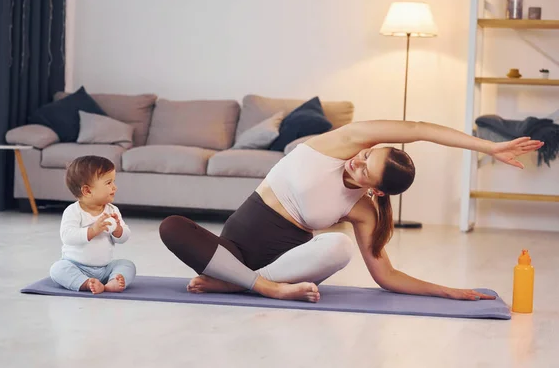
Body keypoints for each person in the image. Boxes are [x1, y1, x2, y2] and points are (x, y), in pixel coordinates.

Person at [159, 120, 543, 303]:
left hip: (283, 268)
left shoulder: (362, 211)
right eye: (366, 155)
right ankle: (252, 285)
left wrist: (447, 291)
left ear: (374, 189)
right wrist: (487, 147)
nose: (356, 161)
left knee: (338, 250)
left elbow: (386, 275)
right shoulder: (341, 142)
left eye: (365, 169)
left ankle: (251, 283)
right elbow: (421, 130)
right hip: (228, 256)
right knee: (173, 226)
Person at [50, 155, 136, 294]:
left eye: (113, 182)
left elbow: (124, 237)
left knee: (127, 265)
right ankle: (85, 283)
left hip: (105, 268)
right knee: (58, 269)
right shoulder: (73, 211)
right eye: (109, 183)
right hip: (76, 266)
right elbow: (67, 237)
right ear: (87, 191)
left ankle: (111, 282)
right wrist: (92, 230)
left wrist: (118, 229)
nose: (115, 187)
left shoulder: (112, 210)